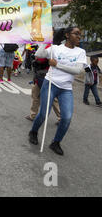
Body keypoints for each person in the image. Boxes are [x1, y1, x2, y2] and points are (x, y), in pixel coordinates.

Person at [28, 27, 87, 156]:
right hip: (51, 84)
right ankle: (33, 132)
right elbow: (39, 55)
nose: (79, 37)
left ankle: (56, 142)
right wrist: (47, 41)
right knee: (43, 114)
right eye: (76, 34)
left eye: (80, 35)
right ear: (67, 35)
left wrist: (57, 65)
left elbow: (77, 71)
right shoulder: (56, 48)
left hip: (66, 88)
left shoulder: (80, 52)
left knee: (66, 117)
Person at [25, 43, 61, 124]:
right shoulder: (48, 46)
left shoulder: (49, 47)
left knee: (51, 98)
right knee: (35, 95)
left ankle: (61, 117)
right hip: (40, 76)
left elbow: (41, 59)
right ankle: (33, 115)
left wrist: (36, 58)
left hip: (44, 75)